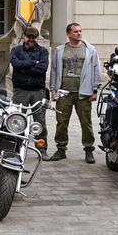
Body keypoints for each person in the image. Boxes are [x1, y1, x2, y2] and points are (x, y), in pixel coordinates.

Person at [48, 24, 101, 164]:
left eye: (80, 31)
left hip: (83, 93)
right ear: (68, 34)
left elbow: (96, 69)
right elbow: (54, 70)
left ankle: (89, 150)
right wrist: (53, 90)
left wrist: (95, 90)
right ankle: (61, 149)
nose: (79, 33)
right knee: (61, 123)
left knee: (86, 123)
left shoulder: (90, 50)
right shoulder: (60, 50)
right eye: (75, 31)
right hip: (64, 92)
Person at [9, 27, 50, 157]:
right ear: (24, 37)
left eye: (34, 37)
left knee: (40, 121)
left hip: (38, 91)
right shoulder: (16, 50)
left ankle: (42, 149)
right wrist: (33, 62)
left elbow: (43, 68)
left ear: (37, 38)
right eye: (28, 37)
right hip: (20, 91)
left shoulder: (43, 51)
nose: (31, 39)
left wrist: (24, 67)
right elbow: (16, 64)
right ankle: (16, 147)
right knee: (17, 120)